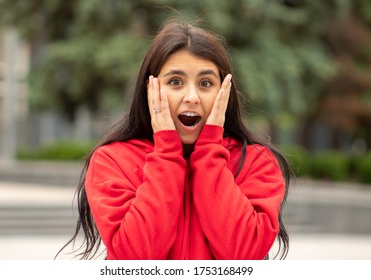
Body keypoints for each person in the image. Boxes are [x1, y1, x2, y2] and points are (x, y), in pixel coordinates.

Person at [58, 18, 291, 260]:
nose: (192, 96)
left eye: (205, 83)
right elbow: (134, 258)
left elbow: (243, 254)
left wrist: (210, 150)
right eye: (175, 82)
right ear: (150, 89)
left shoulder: (256, 162)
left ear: (224, 92)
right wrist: (167, 152)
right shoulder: (112, 160)